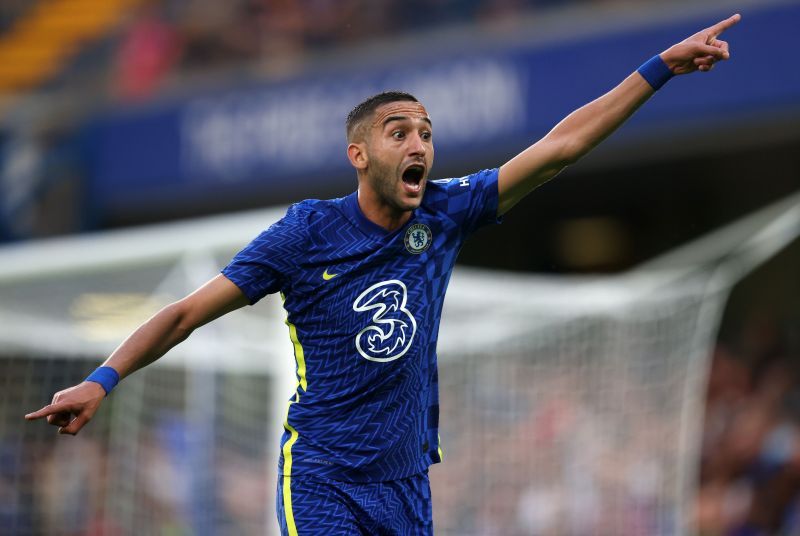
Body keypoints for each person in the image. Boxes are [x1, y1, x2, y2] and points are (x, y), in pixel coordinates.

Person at [26, 13, 741, 535]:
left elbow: (559, 148)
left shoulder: (447, 211)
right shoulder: (306, 234)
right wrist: (103, 378)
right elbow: (186, 312)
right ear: (359, 154)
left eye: (426, 131)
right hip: (324, 480)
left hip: (405, 486)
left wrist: (659, 69)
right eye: (399, 131)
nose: (420, 143)